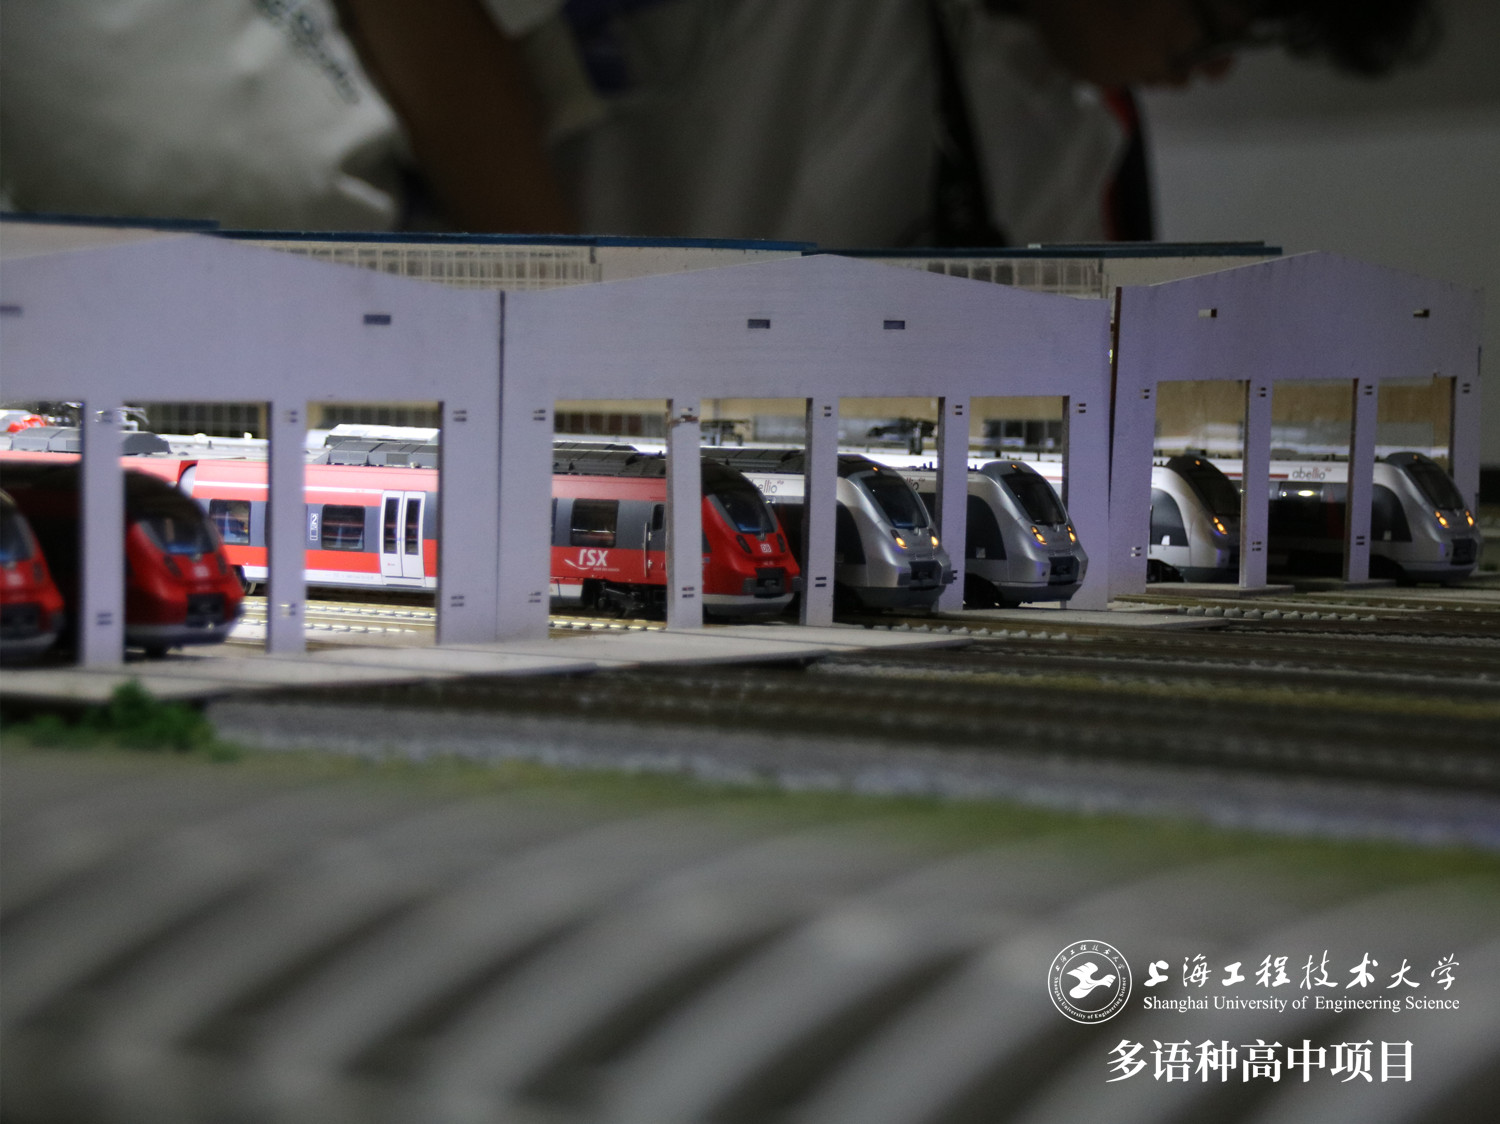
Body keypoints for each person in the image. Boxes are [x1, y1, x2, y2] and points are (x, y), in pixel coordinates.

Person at [1, 1, 1437, 245]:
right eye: (1221, 23)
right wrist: (555, 316)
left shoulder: (1061, 149)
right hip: (466, 336)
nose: (1206, 70)